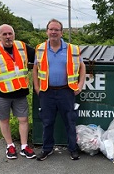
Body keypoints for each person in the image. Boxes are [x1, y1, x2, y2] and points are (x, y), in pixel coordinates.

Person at [33, 18, 86, 161]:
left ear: (62, 33)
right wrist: (37, 87)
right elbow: (35, 68)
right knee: (47, 122)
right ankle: (47, 149)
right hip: (46, 92)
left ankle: (73, 149)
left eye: (56, 30)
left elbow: (82, 67)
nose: (53, 32)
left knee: (70, 121)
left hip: (66, 91)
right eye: (51, 29)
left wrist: (80, 85)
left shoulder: (73, 49)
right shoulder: (40, 48)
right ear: (47, 31)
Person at [0, 24, 36, 159]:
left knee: (23, 119)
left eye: (10, 34)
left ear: (14, 34)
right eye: (4, 34)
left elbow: (39, 56)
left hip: (20, 92)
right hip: (1, 93)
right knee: (4, 120)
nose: (8, 37)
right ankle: (10, 146)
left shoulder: (22, 47)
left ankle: (24, 146)